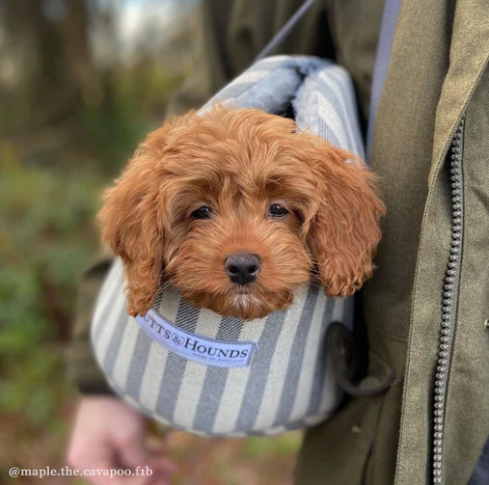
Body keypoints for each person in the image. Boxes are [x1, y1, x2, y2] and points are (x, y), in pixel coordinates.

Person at [67, 1, 489, 484]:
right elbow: (216, 88)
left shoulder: (340, 196)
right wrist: (104, 384)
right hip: (381, 407)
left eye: (278, 210)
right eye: (200, 213)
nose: (243, 251)